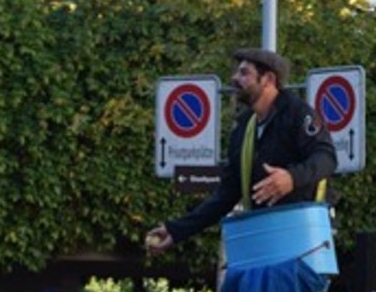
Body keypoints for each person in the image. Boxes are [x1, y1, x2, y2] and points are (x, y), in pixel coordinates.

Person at [144, 48, 337, 252]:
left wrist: (292, 178)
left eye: (244, 73)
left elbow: (327, 157)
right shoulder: (244, 128)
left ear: (268, 79)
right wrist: (176, 231)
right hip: (264, 241)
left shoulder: (298, 113)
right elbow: (226, 193)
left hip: (303, 243)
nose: (235, 78)